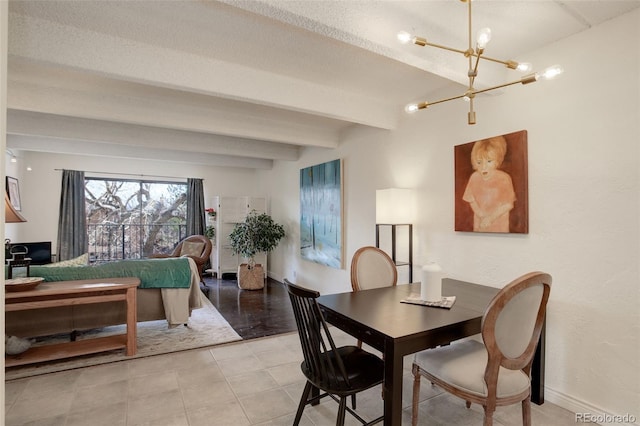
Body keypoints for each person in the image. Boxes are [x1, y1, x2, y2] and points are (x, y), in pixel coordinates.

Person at [462, 136, 515, 232]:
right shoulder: (474, 177)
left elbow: (508, 204)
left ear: (497, 161)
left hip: (499, 228)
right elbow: (471, 199)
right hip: (480, 227)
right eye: (479, 162)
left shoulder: (504, 178)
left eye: (489, 161)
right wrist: (481, 215)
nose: (483, 166)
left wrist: (490, 218)